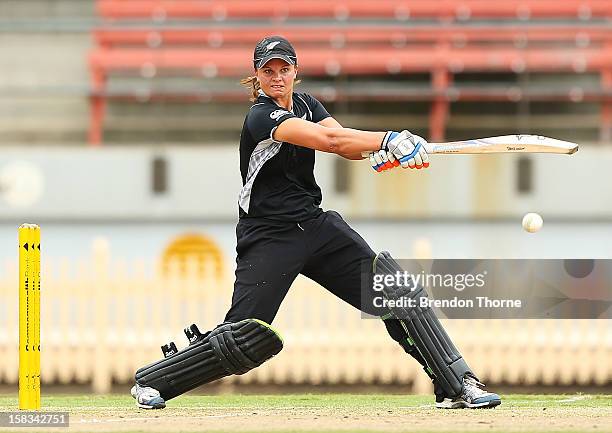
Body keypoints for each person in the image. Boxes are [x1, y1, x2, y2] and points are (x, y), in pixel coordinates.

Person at [130, 36, 501, 410]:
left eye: (284, 69)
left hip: (316, 227)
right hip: (269, 236)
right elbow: (332, 141)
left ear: (295, 72)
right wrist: (389, 139)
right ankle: (153, 381)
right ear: (256, 76)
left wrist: (380, 150)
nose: (277, 77)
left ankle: (458, 385)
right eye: (268, 71)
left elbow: (348, 144)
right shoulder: (261, 116)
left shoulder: (307, 104)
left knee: (395, 292)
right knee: (244, 337)